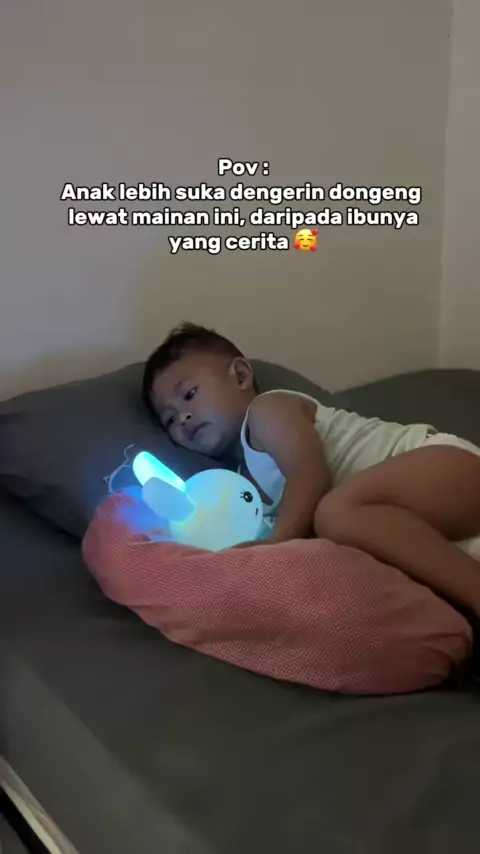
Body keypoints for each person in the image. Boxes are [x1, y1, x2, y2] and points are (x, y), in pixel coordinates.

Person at [142, 322, 480, 619]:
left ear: (241, 376)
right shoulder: (243, 484)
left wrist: (275, 546)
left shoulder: (267, 411)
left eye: (189, 394)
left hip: (443, 466)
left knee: (335, 514)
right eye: (169, 419)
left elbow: (309, 475)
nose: (183, 417)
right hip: (421, 515)